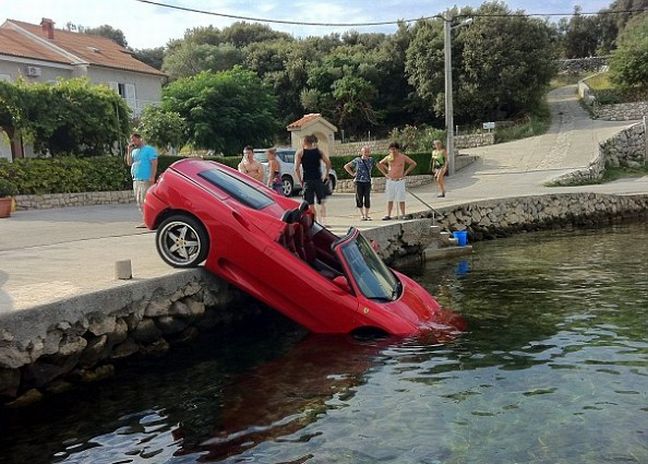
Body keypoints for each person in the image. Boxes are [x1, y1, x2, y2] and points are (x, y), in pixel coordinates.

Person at [294, 134, 332, 225]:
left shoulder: (300, 153)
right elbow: (328, 163)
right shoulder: (319, 152)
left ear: (304, 142)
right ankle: (324, 222)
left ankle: (314, 222)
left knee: (310, 203)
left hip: (307, 180)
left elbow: (296, 168)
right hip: (318, 179)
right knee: (321, 202)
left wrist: (300, 180)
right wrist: (326, 175)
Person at [377, 142, 417, 220]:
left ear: (397, 149)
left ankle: (403, 215)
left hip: (400, 180)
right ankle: (388, 215)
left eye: (394, 149)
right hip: (390, 180)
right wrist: (385, 173)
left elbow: (413, 163)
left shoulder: (403, 157)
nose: (393, 151)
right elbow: (379, 164)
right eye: (391, 149)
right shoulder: (388, 157)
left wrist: (406, 172)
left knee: (401, 198)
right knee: (389, 198)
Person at [126, 132, 158, 227]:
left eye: (135, 139)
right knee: (139, 201)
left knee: (145, 200)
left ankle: (151, 220)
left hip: (145, 179)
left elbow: (154, 163)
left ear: (140, 139)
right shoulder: (134, 151)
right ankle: (146, 220)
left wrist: (152, 176)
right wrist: (128, 151)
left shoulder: (149, 150)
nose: (133, 142)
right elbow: (129, 163)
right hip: (136, 179)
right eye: (132, 140)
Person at [344, 145, 374, 221]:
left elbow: (379, 165)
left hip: (367, 181)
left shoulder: (371, 160)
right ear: (362, 152)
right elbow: (346, 166)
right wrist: (352, 174)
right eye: (365, 152)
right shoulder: (357, 160)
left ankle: (367, 215)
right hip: (358, 181)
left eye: (367, 152)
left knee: (367, 198)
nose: (366, 153)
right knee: (359, 198)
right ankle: (362, 215)